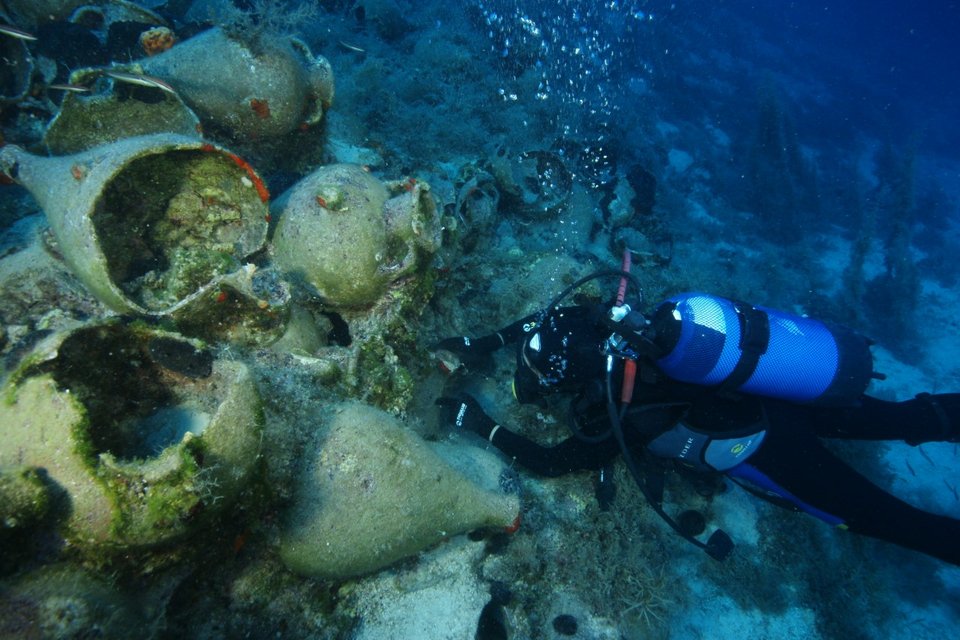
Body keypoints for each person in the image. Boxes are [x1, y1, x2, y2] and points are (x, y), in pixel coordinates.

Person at [434, 283, 960, 566]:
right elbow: (540, 324)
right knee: (908, 417)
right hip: (780, 391)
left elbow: (552, 463)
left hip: (767, 447)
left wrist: (480, 424)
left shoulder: (625, 413)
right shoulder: (606, 324)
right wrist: (483, 344)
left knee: (883, 517)